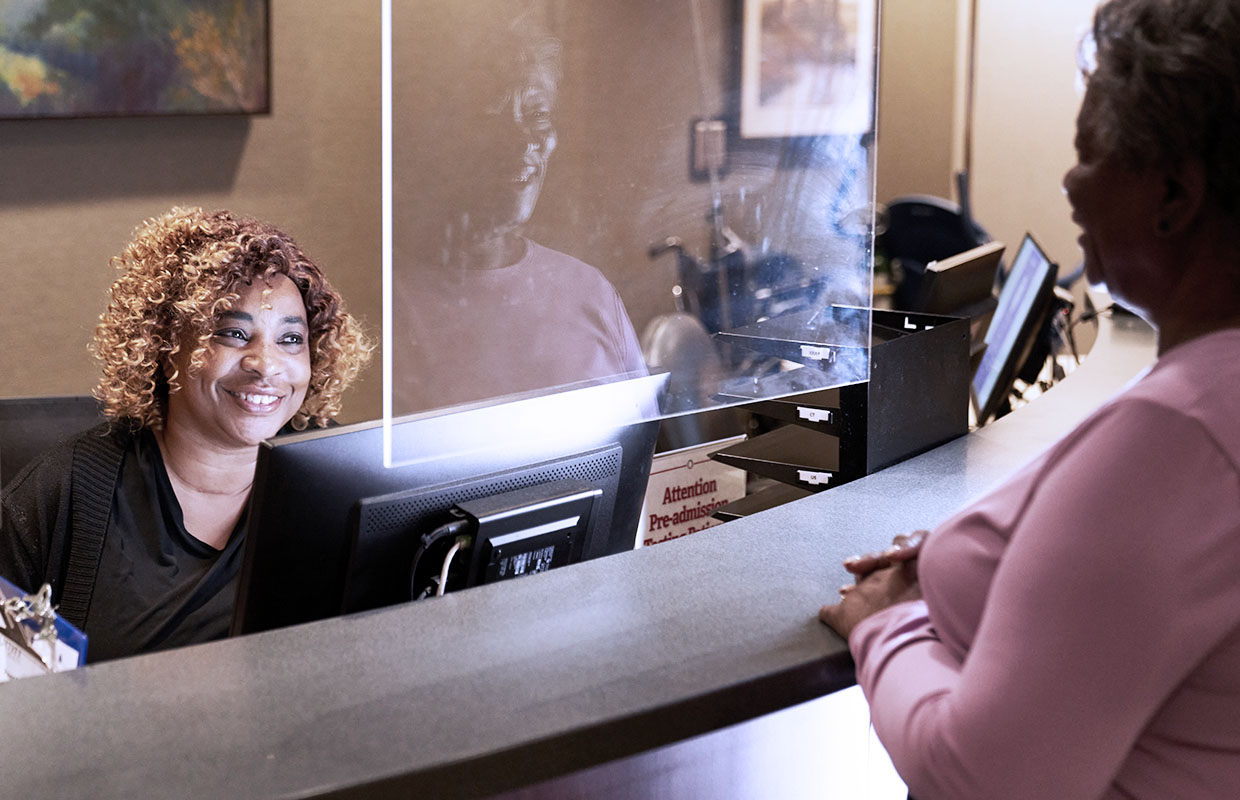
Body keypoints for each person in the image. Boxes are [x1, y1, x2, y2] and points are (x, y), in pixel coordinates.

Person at [818, 1, 1240, 797]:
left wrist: (885, 619)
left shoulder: (1177, 437)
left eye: (1088, 152)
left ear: (1175, 197)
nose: (1070, 182)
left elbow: (982, 778)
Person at [0, 207, 372, 662]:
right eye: (234, 334)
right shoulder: (64, 493)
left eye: (291, 339)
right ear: (163, 344)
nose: (266, 364)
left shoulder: (348, 478)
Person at [390, 6, 646, 414]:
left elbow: (639, 458)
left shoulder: (590, 293)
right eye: (490, 119)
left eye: (537, 116)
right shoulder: (390, 305)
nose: (522, 142)